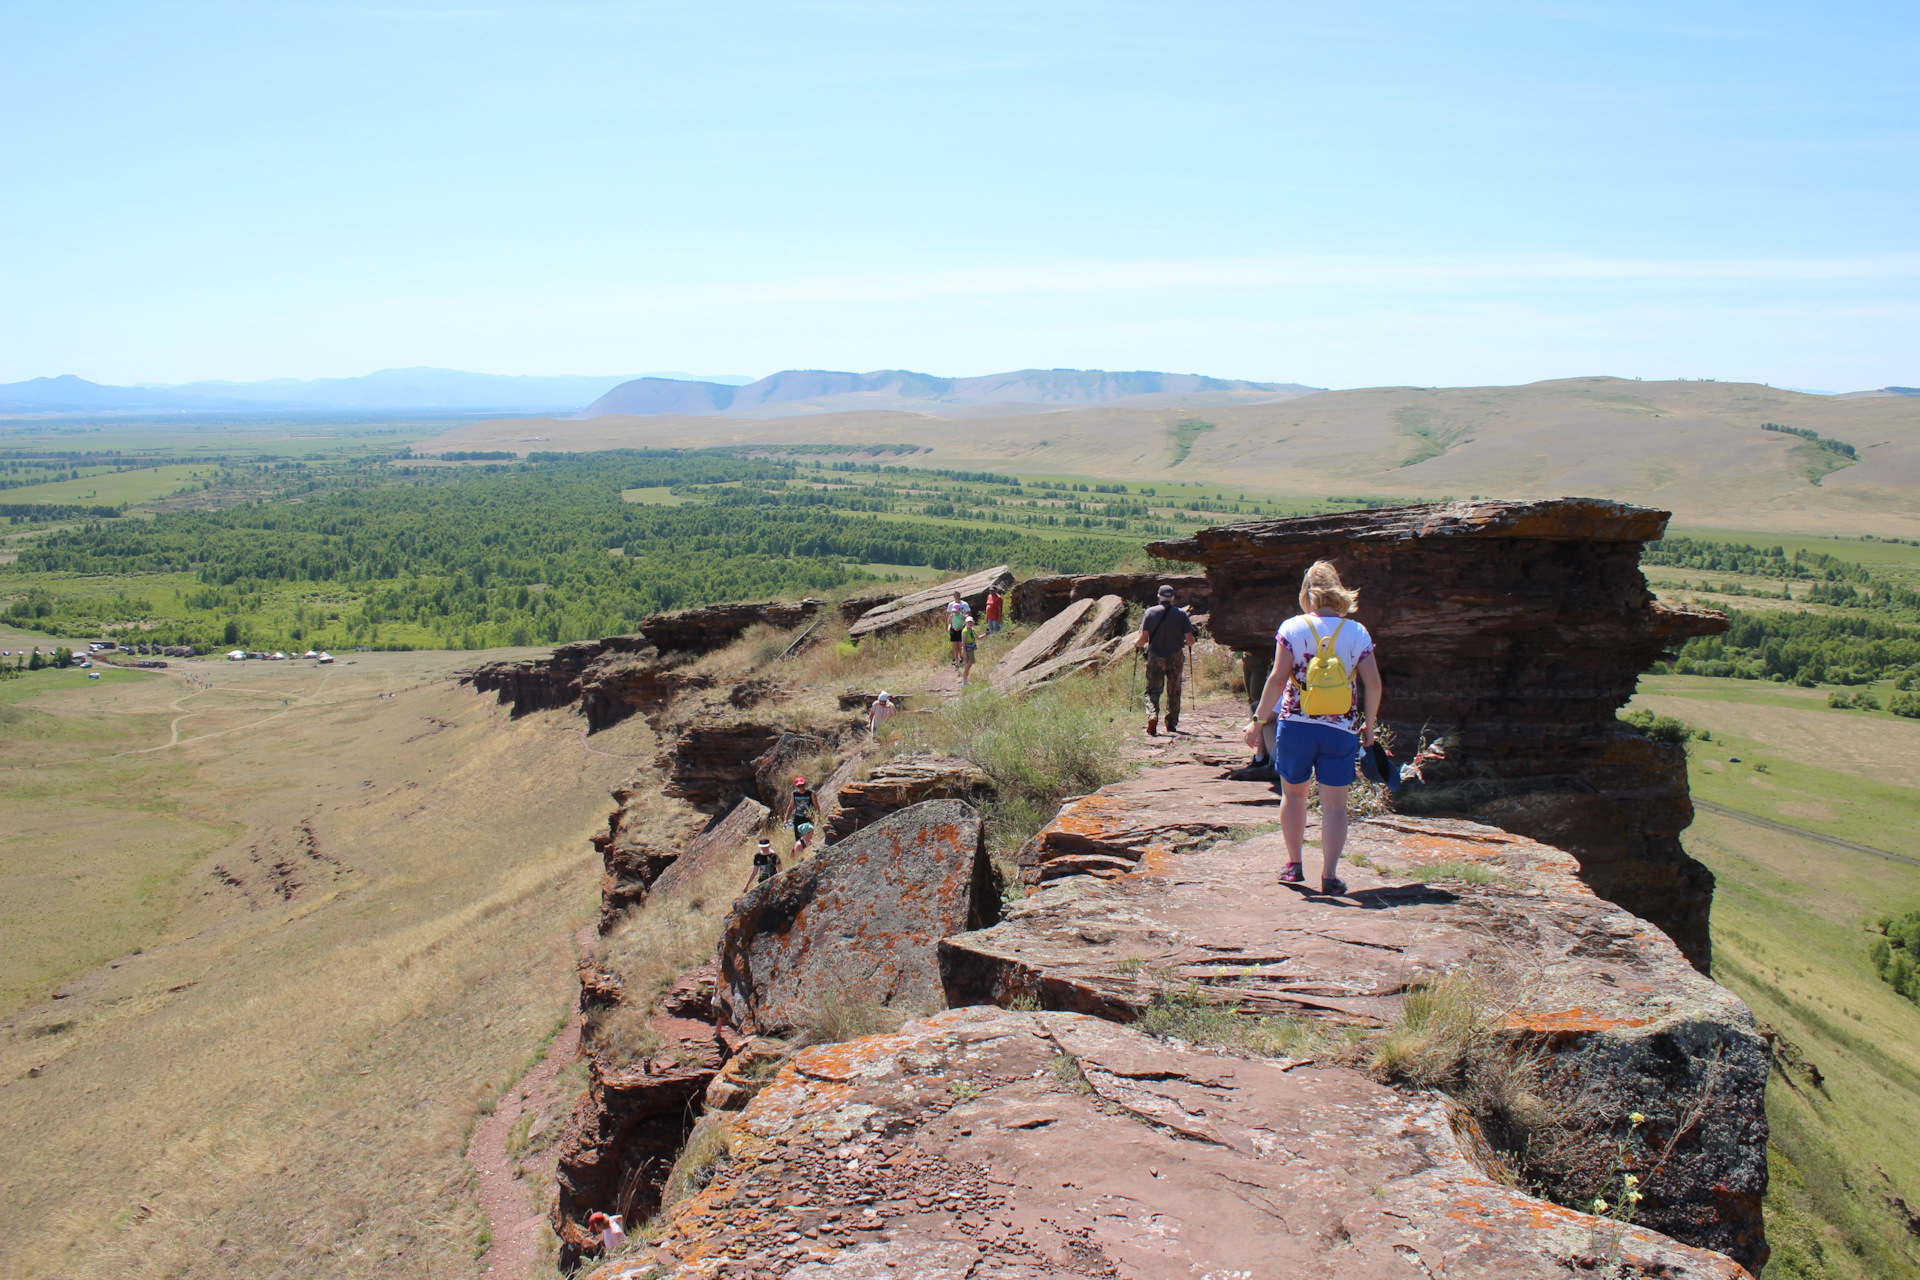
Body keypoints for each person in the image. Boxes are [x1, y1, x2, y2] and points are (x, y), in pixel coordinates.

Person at [1251, 560, 1381, 896]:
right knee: (1335, 806)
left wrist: (1258, 721)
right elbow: (1374, 684)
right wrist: (1370, 725)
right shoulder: (1358, 632)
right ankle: (1330, 876)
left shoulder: (1293, 627)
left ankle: (1294, 866)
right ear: (1337, 591)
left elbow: (1278, 679)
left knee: (1294, 796)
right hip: (1342, 727)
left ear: (1308, 592)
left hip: (1297, 724)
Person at [1135, 583, 1196, 735]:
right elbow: (1190, 641)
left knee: (1152, 690)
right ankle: (1171, 723)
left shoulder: (1150, 612)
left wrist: (1135, 644)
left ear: (1159, 598)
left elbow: (1143, 639)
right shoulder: (1181, 614)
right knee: (1174, 689)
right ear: (1173, 598)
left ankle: (1152, 715)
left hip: (1155, 655)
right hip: (1175, 655)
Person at [946, 592, 968, 666]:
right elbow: (950, 623)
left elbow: (965, 623)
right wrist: (948, 628)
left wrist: (960, 628)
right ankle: (956, 661)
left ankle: (962, 657)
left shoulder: (962, 615)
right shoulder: (952, 615)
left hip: (961, 630)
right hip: (954, 630)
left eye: (956, 609)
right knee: (955, 647)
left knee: (961, 646)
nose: (954, 611)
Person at [960, 615, 979, 685]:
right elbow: (963, 643)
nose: (970, 623)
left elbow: (978, 638)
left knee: (969, 665)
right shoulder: (965, 631)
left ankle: (965, 680)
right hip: (967, 650)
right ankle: (964, 681)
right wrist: (965, 655)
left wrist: (986, 634)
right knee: (967, 666)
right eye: (968, 622)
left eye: (971, 622)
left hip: (971, 650)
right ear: (965, 623)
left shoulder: (972, 629)